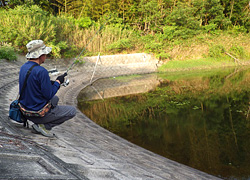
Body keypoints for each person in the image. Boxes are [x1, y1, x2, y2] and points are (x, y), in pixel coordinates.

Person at [19, 40, 76, 137]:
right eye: (45, 54)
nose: (46, 56)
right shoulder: (42, 71)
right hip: (36, 113)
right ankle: (45, 125)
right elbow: (49, 94)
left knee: (56, 99)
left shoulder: (24, 67)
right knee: (72, 111)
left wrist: (51, 83)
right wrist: (58, 82)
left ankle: (41, 123)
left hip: (24, 109)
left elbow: (33, 82)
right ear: (40, 56)